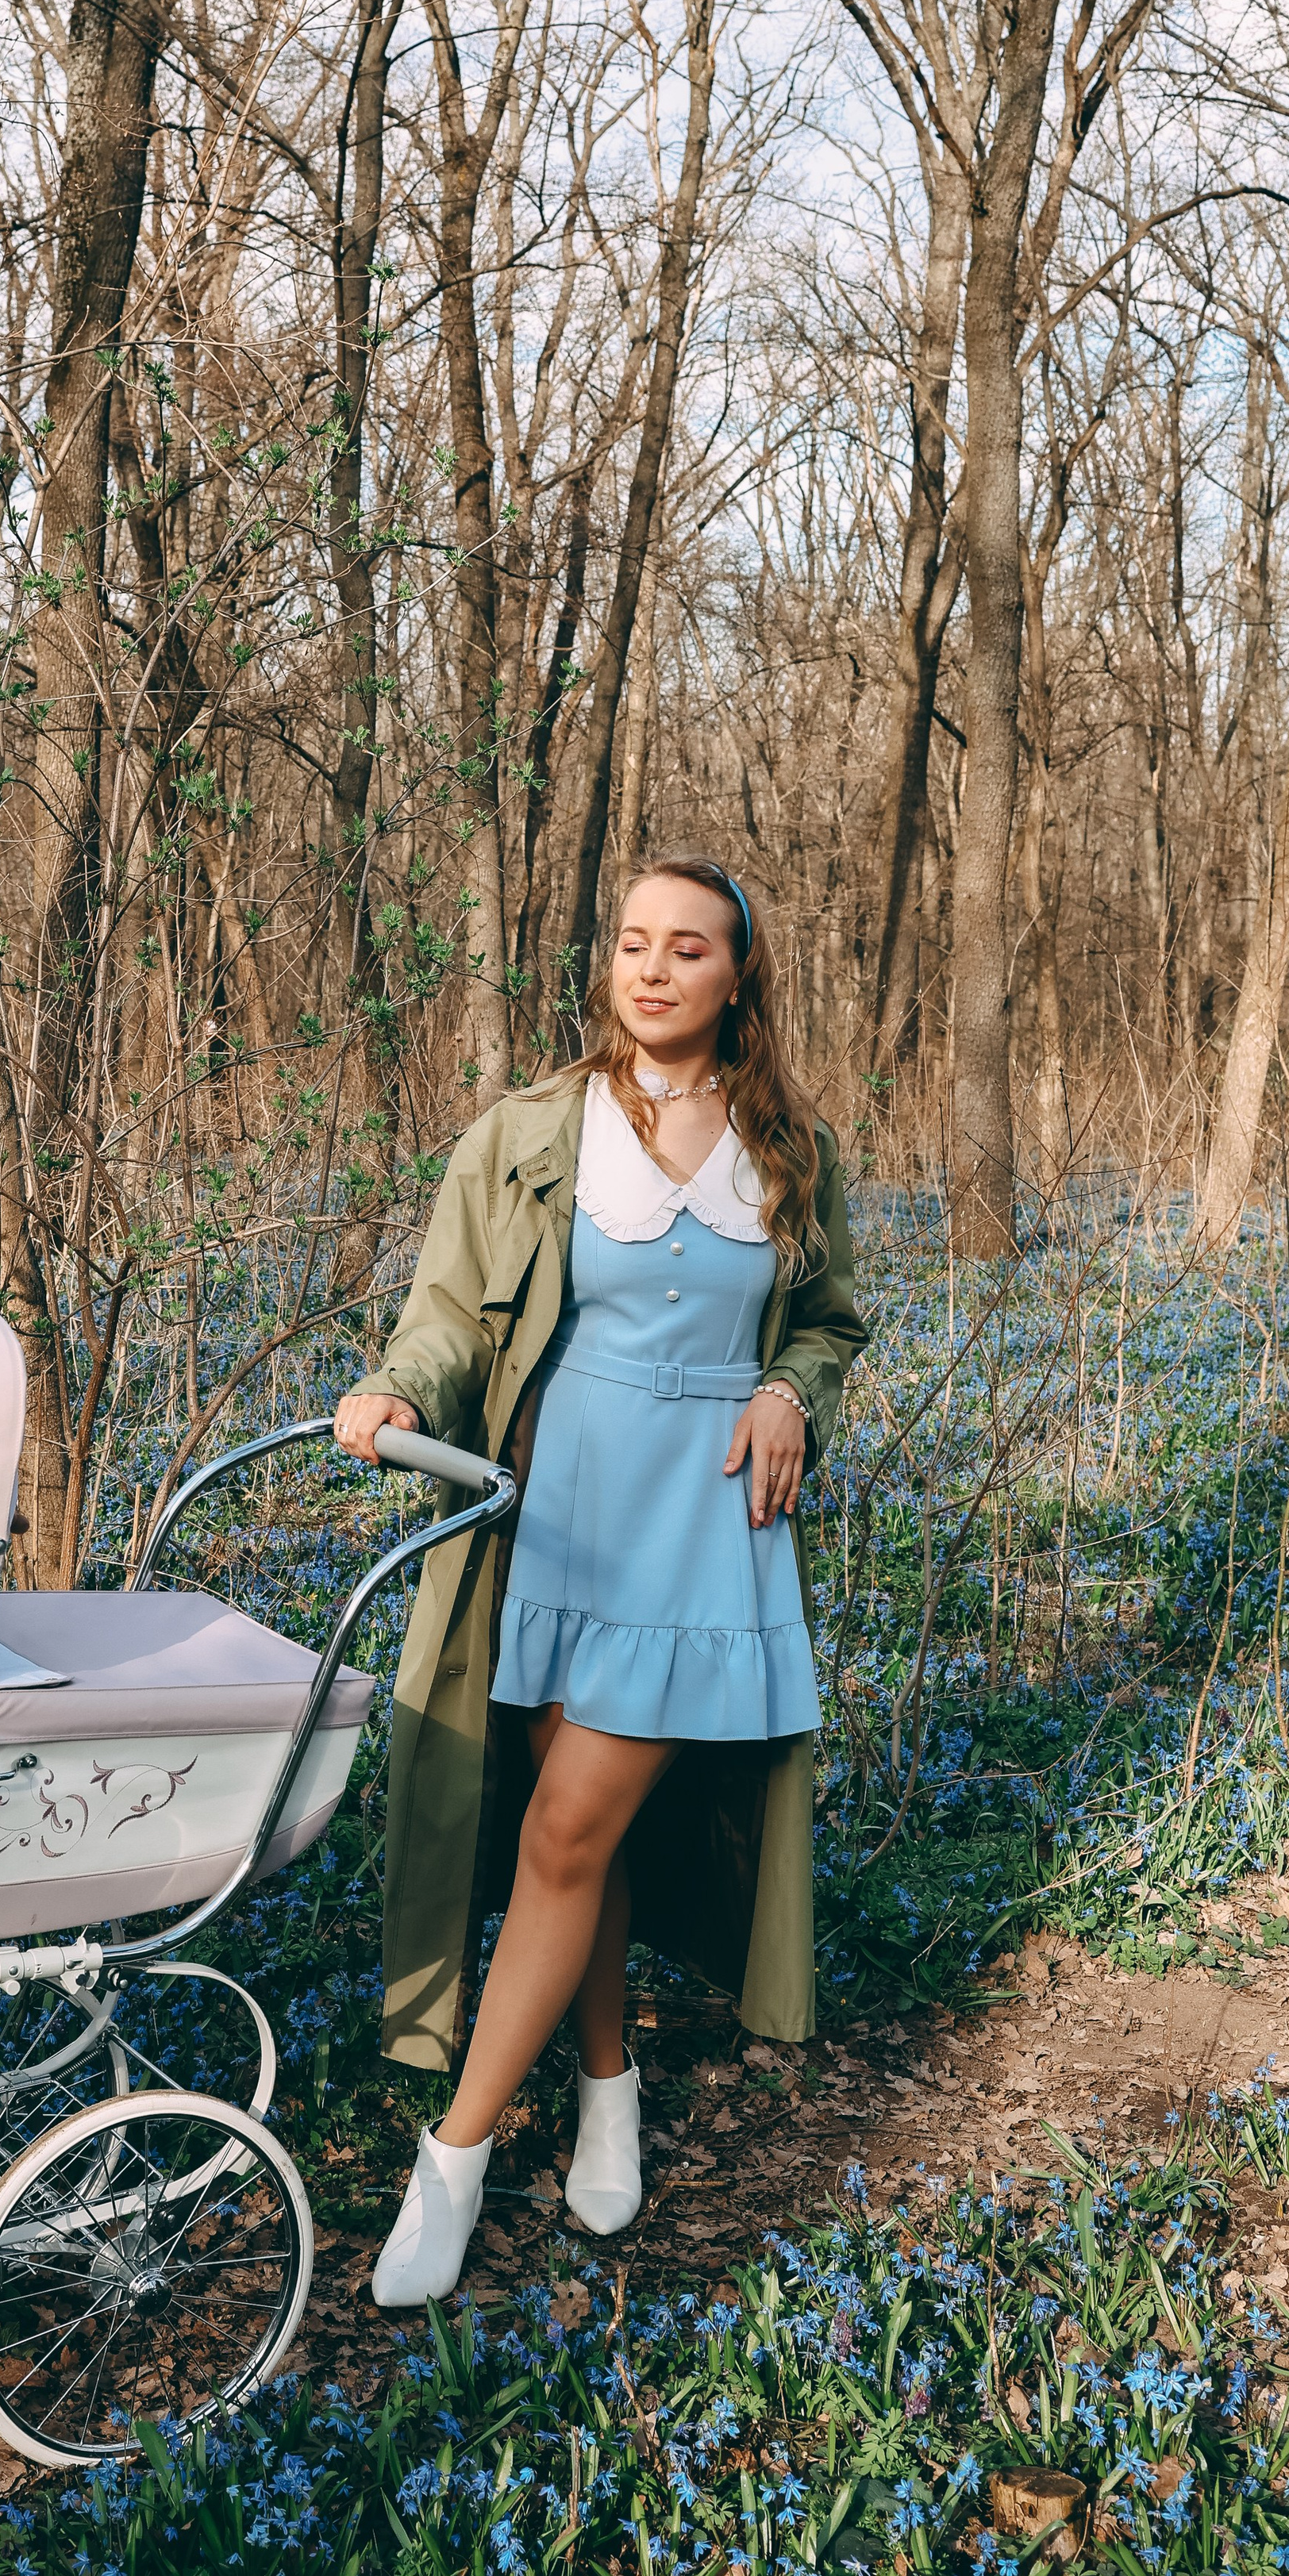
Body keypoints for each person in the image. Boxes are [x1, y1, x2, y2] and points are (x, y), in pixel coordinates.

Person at [336, 858, 867, 2306]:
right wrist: (394, 1389)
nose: (651, 970)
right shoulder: (529, 1128)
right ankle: (610, 2086)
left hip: (703, 1523)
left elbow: (825, 1316)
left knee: (566, 1833)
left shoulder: (792, 1143)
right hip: (557, 1517)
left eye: (686, 948)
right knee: (585, 1837)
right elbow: (449, 1312)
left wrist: (791, 1391)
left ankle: (452, 2160)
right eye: (632, 942)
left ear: (737, 974)